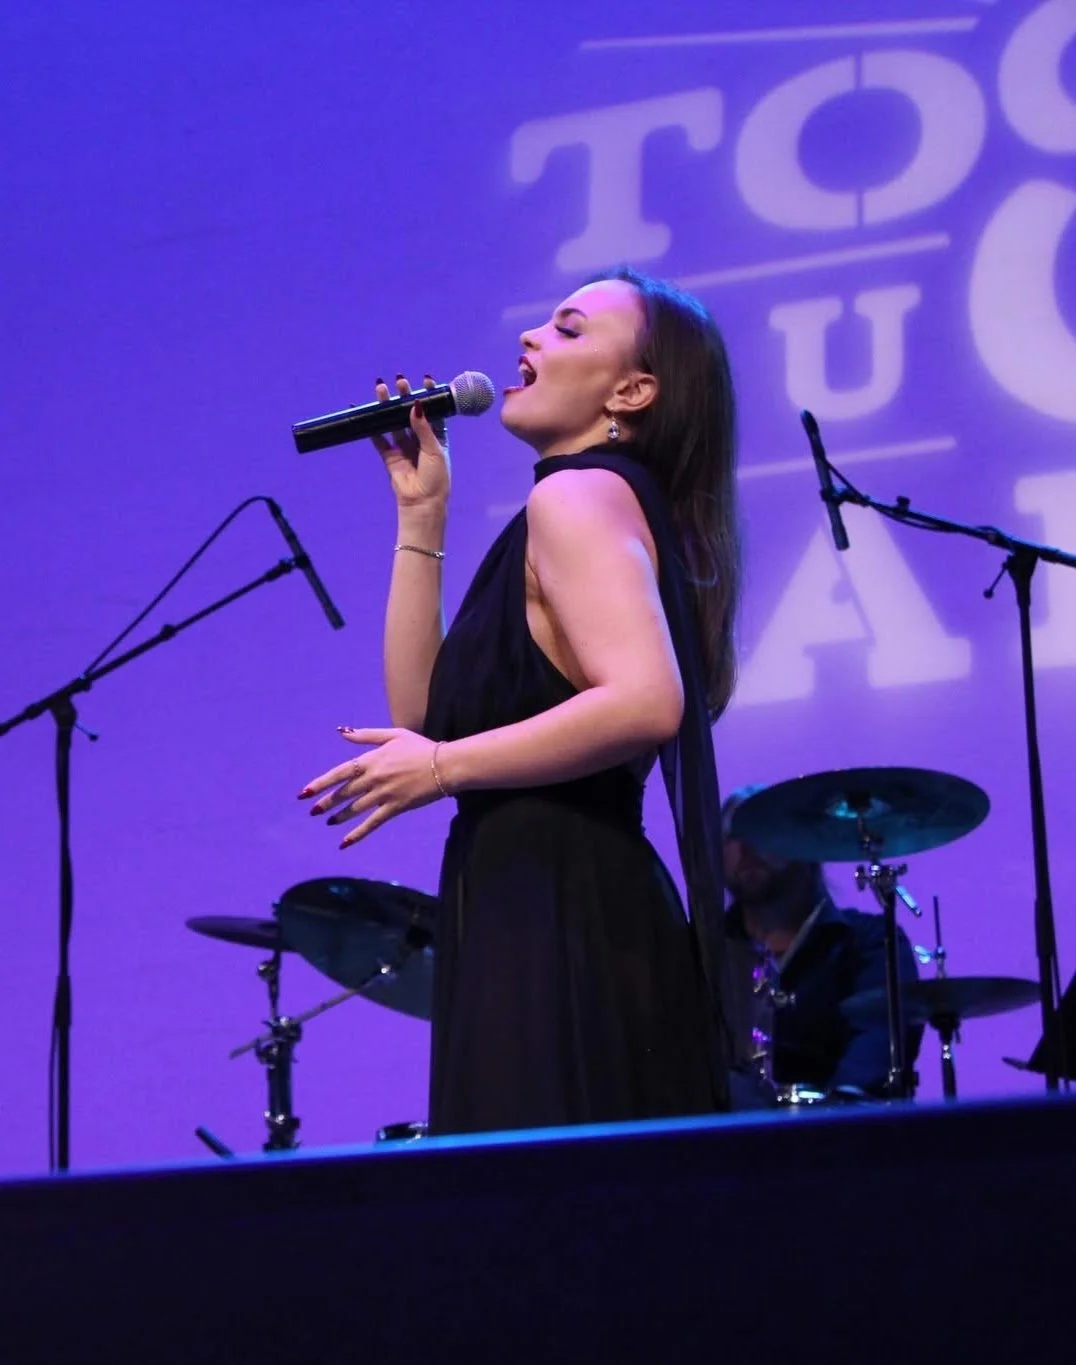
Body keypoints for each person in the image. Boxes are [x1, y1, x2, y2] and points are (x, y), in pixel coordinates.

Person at [299, 267, 741, 1135]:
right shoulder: (583, 502)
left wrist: (441, 768)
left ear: (634, 389)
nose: (530, 339)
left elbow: (647, 701)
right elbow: (425, 711)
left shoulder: (578, 495)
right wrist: (423, 517)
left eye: (569, 329)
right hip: (533, 901)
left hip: (562, 912)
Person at [720, 786, 923, 1106]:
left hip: (840, 1142)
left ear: (810, 846)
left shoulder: (869, 942)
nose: (746, 844)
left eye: (765, 827)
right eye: (733, 833)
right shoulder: (701, 949)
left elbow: (877, 1043)